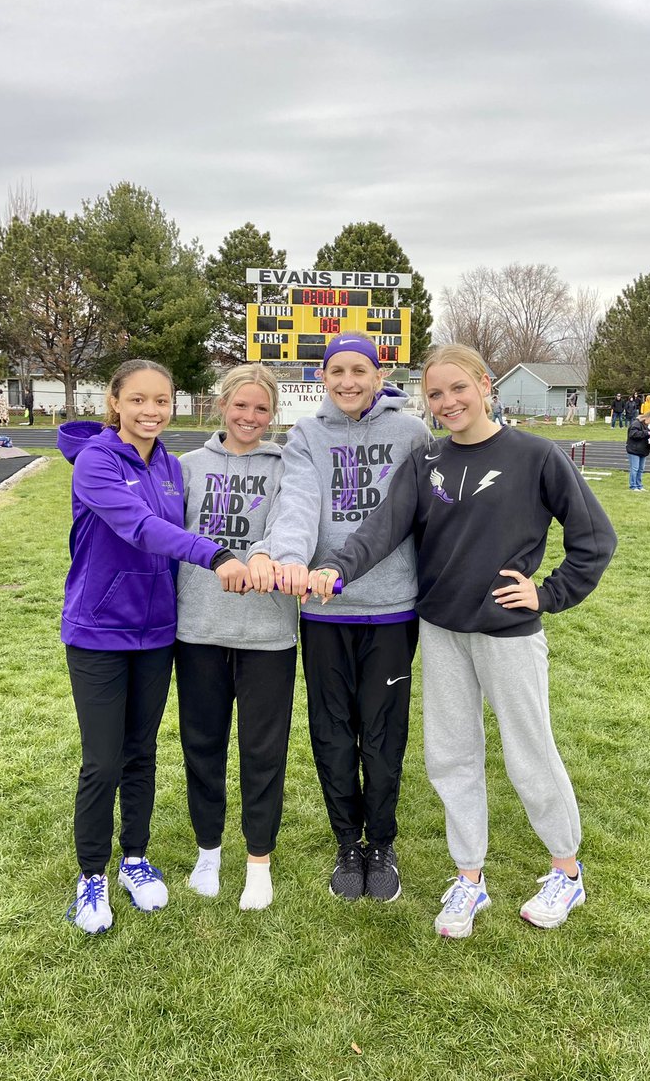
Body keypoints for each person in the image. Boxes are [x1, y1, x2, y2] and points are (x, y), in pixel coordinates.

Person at [307, 344, 617, 937]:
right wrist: (337, 571)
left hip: (507, 634)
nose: (448, 402)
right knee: (451, 758)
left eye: (458, 389)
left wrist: (546, 594)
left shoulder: (536, 456)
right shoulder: (426, 461)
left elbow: (594, 540)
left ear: (485, 386)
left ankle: (566, 872)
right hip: (442, 631)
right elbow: (382, 528)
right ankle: (469, 879)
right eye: (436, 393)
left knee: (530, 753)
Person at [58, 359, 250, 935]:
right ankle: (92, 873)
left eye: (161, 401)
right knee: (103, 759)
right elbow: (139, 528)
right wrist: (216, 555)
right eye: (138, 400)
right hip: (98, 630)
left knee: (141, 752)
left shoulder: (170, 465)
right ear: (115, 401)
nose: (150, 411)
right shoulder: (94, 462)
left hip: (156, 633)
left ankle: (134, 859)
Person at [248, 332, 428, 903]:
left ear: (379, 375)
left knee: (381, 731)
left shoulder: (411, 433)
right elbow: (298, 502)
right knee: (331, 730)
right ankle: (347, 843)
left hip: (393, 608)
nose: (347, 382)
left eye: (359, 370)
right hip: (325, 610)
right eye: (336, 372)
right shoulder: (307, 435)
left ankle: (383, 842)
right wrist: (292, 561)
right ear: (322, 378)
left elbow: (421, 515)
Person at [175, 364, 298, 911]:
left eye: (262, 409)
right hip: (199, 628)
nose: (250, 418)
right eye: (241, 406)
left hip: (268, 631)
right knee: (202, 745)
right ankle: (208, 852)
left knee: (262, 750)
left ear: (274, 415)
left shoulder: (289, 465)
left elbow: (296, 525)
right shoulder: (188, 467)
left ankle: (258, 862)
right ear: (220, 405)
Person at [625, 409, 650, 491]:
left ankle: (639, 485)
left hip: (643, 450)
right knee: (635, 468)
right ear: (647, 417)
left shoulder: (649, 426)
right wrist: (647, 433)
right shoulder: (636, 423)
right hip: (634, 449)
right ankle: (633, 486)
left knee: (641, 469)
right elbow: (633, 434)